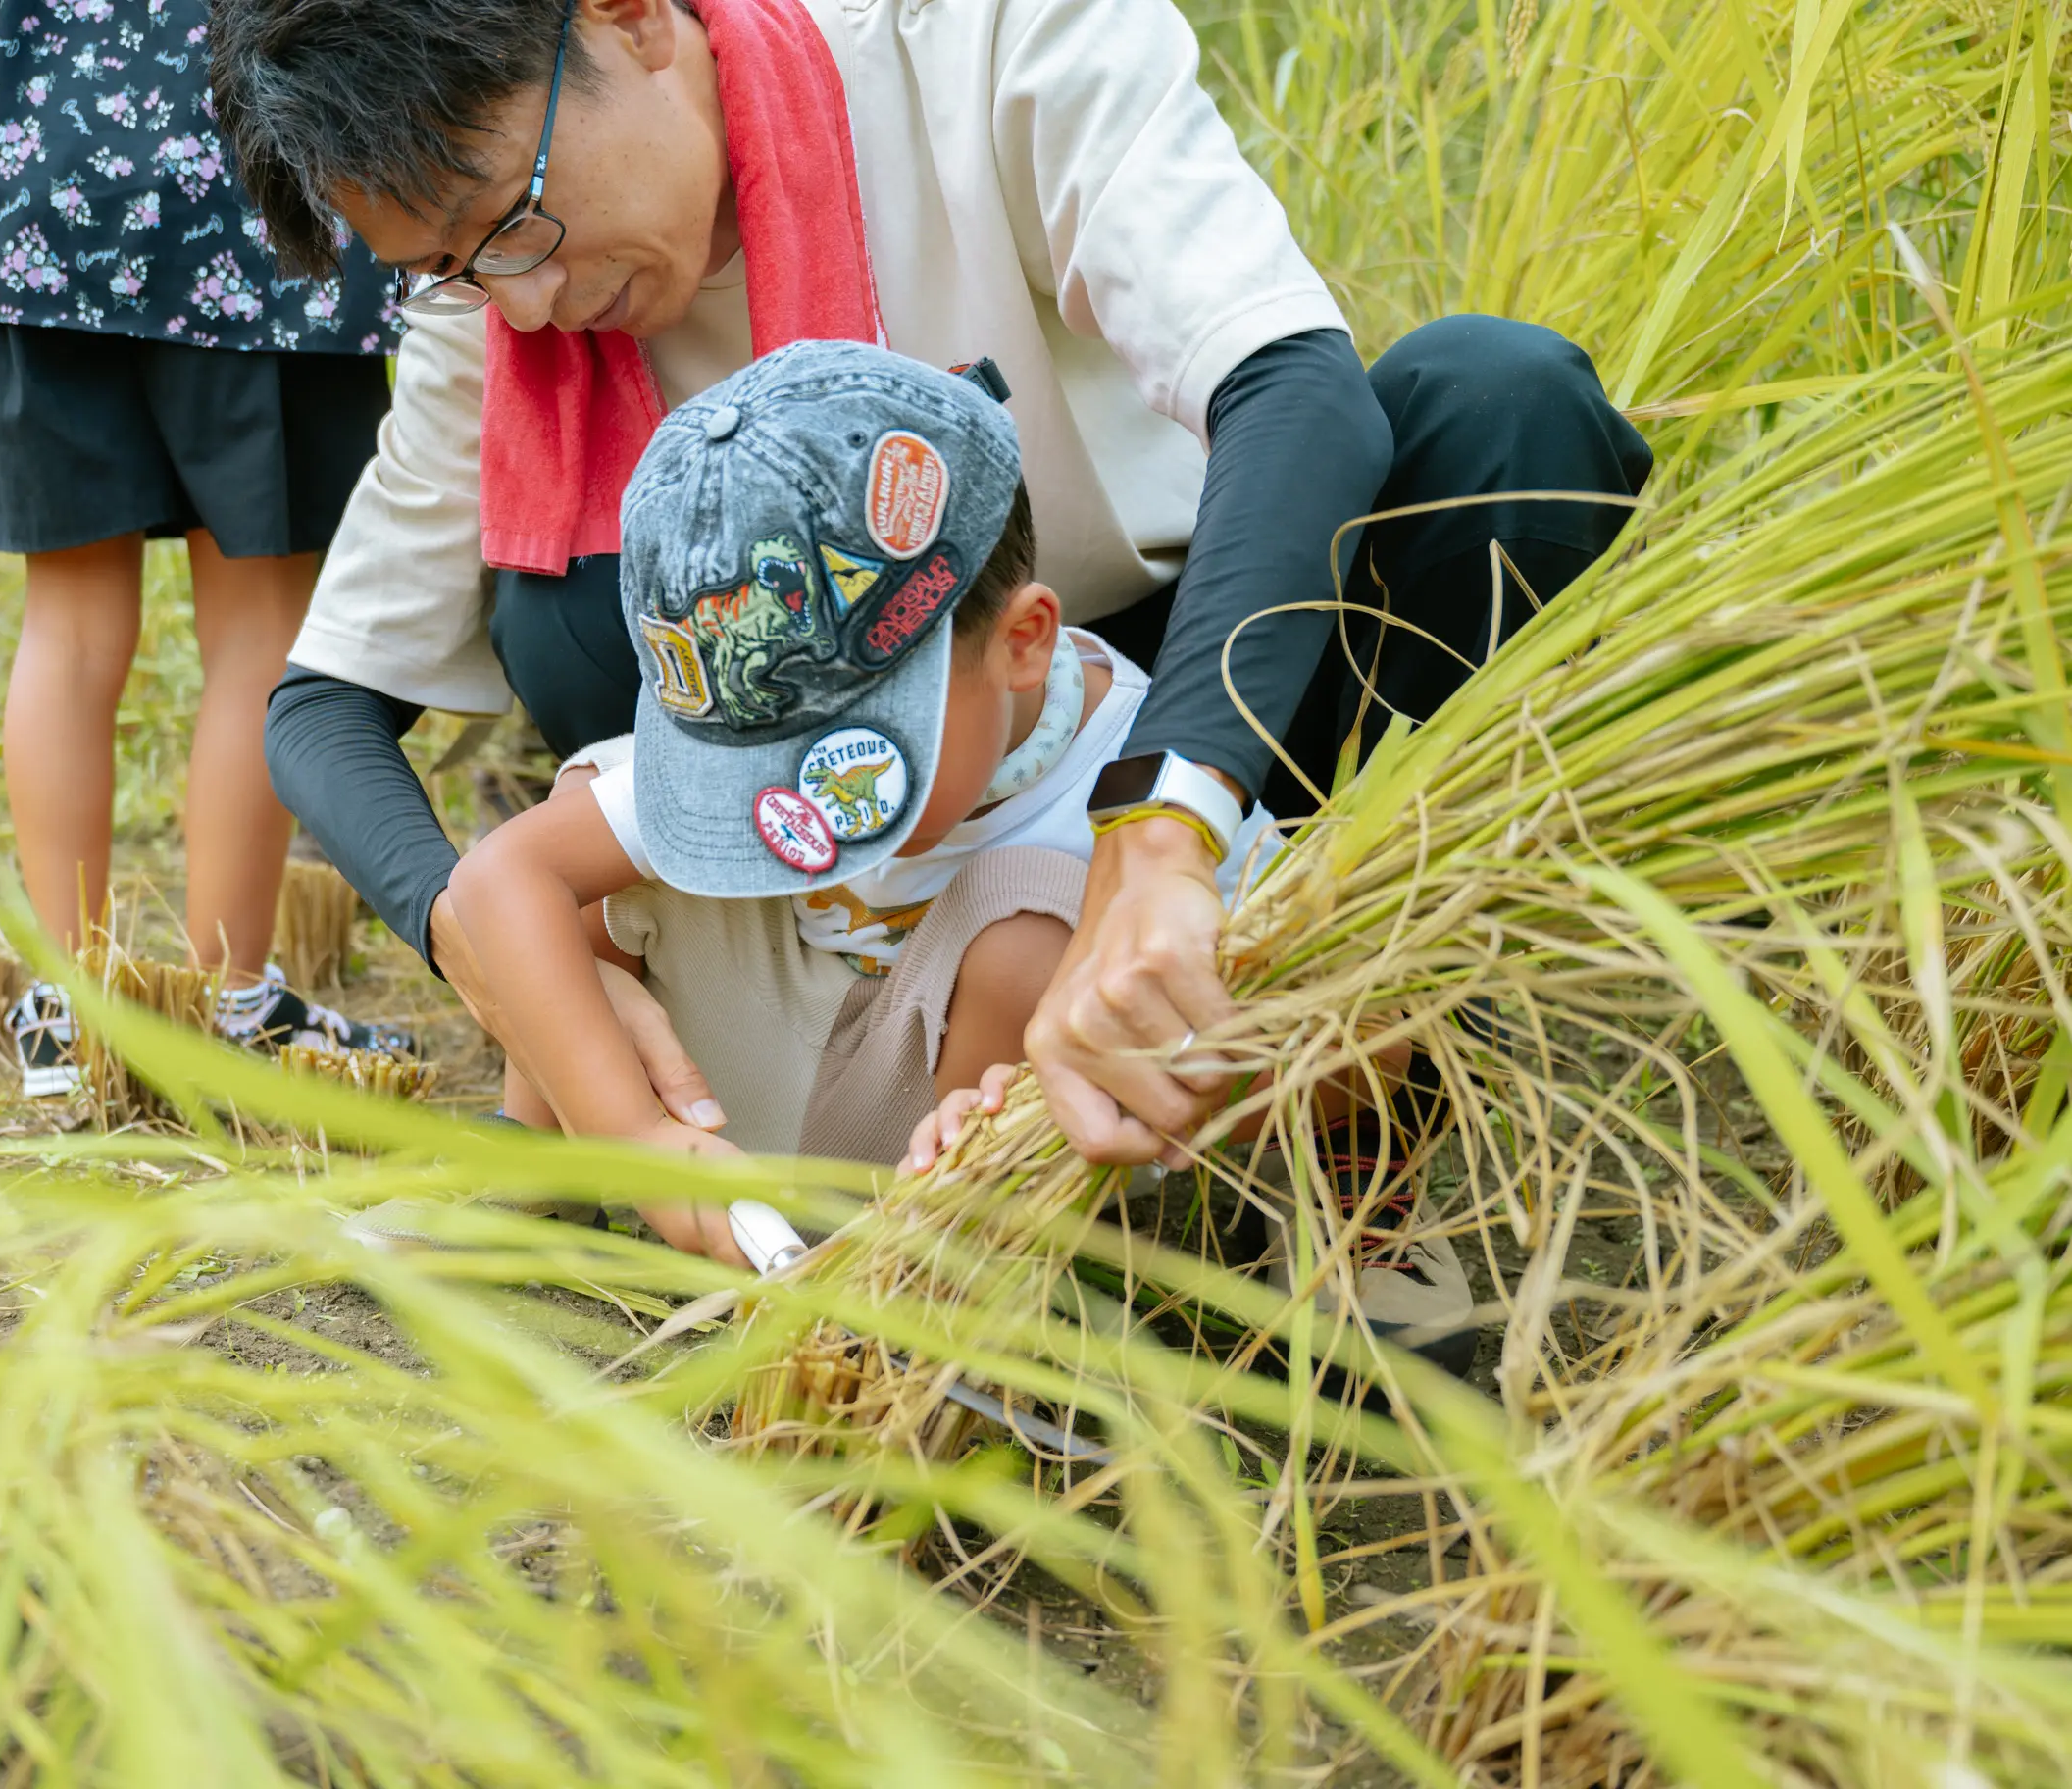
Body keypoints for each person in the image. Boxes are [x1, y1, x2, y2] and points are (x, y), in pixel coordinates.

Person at [212, 0, 1649, 1322]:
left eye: (506, 226)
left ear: (629, 19)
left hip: (1159, 704)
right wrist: (492, 954)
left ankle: (1347, 1177)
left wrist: (1163, 839)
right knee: (563, 610)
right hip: (804, 838)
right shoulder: (502, 299)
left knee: (1497, 408)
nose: (516, 308)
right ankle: (802, 1158)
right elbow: (325, 709)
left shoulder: (973, 36)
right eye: (449, 271)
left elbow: (1292, 389)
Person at [448, 341, 1287, 1263]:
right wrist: (632, 1137)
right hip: (715, 1103)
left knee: (1027, 926)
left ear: (1022, 644)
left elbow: (1326, 1050)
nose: (801, 808)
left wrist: (1073, 1091)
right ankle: (546, 1176)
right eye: (752, 758)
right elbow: (501, 877)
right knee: (590, 829)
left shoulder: (1142, 793)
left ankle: (918, 1278)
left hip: (915, 1155)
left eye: (841, 757)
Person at [0, 0, 412, 1099]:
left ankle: (72, 1006)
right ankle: (232, 998)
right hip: (266, 198)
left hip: (51, 196)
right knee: (257, 629)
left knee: (72, 627)